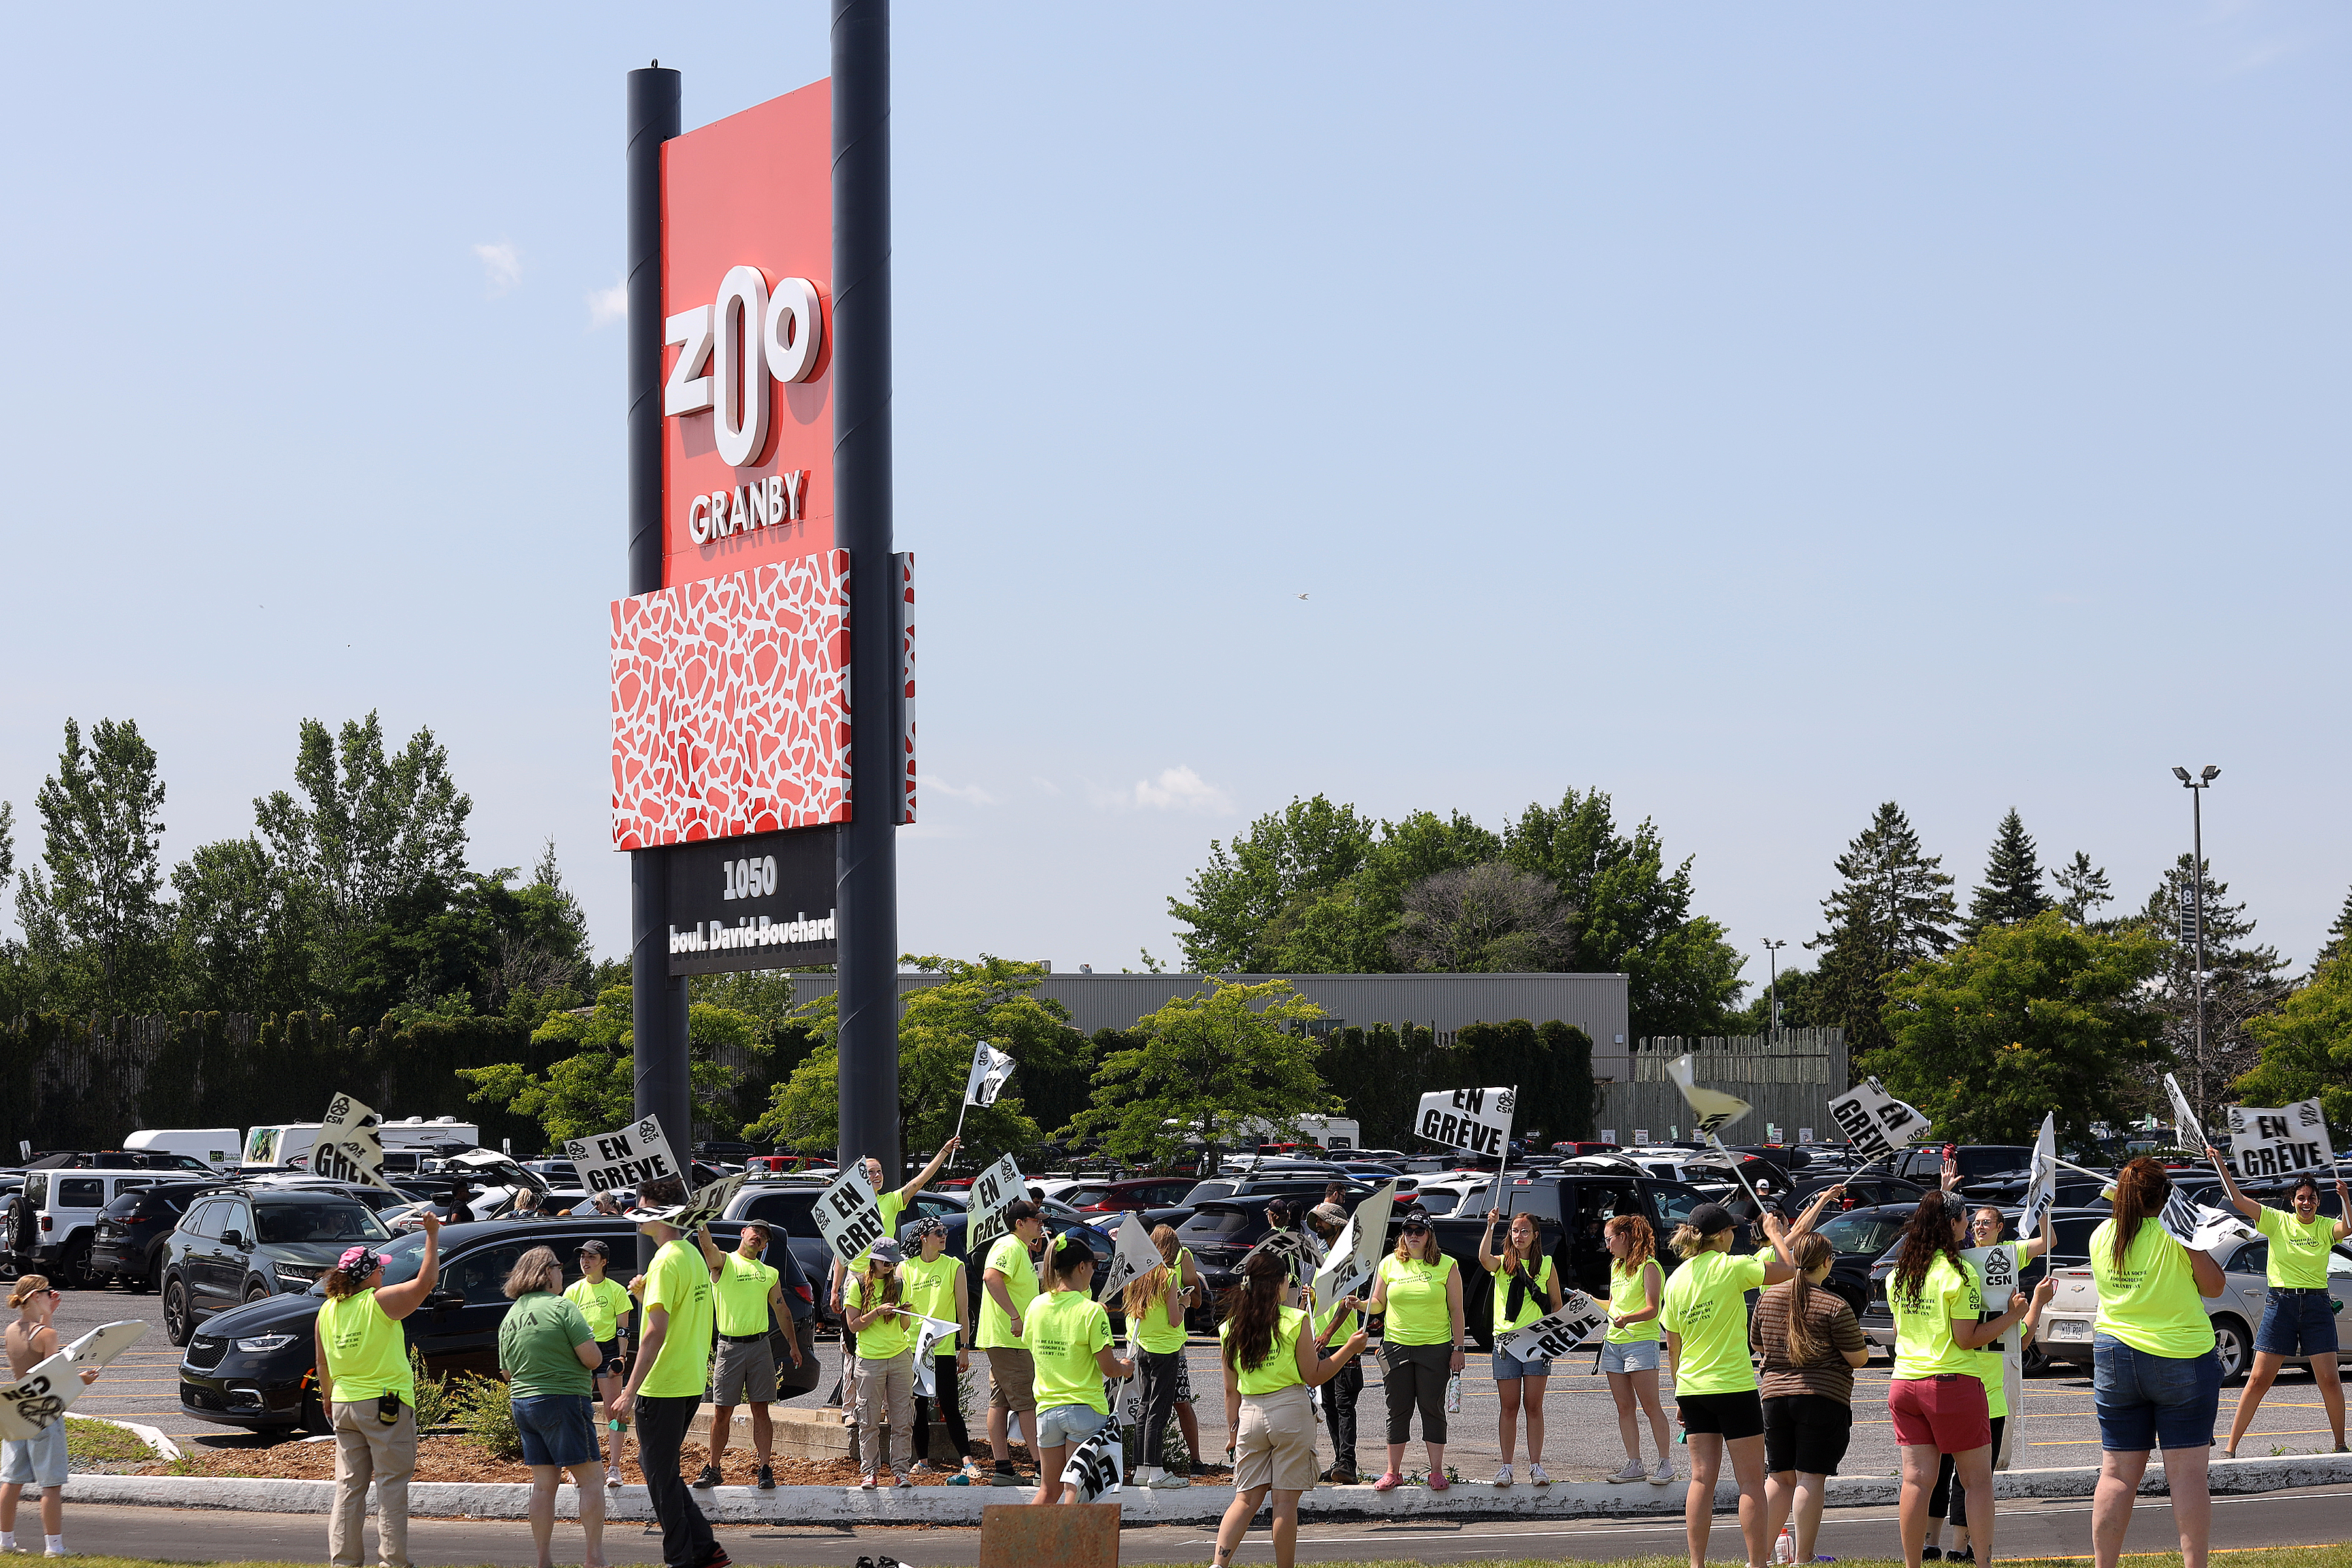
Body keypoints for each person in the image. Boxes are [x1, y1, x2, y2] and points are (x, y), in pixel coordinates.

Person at [2088, 1157, 2227, 1568]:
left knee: (2115, 1473)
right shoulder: (2176, 1235)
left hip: (2115, 1354)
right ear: (2166, 1196)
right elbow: (2215, 1287)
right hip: (2180, 1355)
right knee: (2186, 1476)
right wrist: (2190, 1236)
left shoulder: (2102, 1235)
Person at [1887, 1192, 2035, 1568]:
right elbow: (1967, 1338)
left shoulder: (1898, 1274)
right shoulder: (1959, 1273)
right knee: (1977, 1481)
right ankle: (1983, 1562)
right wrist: (2014, 1313)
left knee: (1917, 1481)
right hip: (1951, 1381)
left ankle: (1911, 1563)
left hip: (1905, 1381)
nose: (1969, 1226)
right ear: (1951, 1225)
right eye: (1965, 1220)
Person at [1209, 1249, 1371, 1568]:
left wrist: (1232, 1431)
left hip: (1250, 1413)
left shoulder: (1230, 1327)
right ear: (1280, 1284)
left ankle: (1218, 1564)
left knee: (1245, 1499)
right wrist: (1349, 1348)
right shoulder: (1296, 1320)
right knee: (1284, 1502)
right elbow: (1314, 1375)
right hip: (1290, 1410)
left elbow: (1231, 1389)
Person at [1660, 1201, 1799, 1568]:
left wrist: (1679, 1393)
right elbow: (1788, 1269)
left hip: (1692, 1388)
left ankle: (1696, 1564)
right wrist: (1775, 1235)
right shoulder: (1731, 1267)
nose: (1734, 1236)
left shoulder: (1675, 1280)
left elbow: (1673, 1348)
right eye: (1732, 1231)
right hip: (1733, 1386)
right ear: (1721, 1235)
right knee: (1751, 1482)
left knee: (1701, 1480)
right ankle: (1756, 1564)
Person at [1927, 1201, 2057, 1562]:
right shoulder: (1958, 1261)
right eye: (1975, 1222)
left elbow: (2048, 1241)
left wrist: (2041, 1199)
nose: (1979, 1227)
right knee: (1948, 1472)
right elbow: (1937, 1231)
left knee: (1967, 1477)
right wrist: (1945, 1193)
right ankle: (1933, 1543)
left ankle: (1957, 1546)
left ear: (2002, 1228)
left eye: (1987, 1222)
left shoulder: (2010, 1256)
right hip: (1959, 1379)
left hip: (1987, 1389)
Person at [604, 1191, 727, 1568]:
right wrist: (645, 1297)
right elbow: (677, 1318)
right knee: (660, 1469)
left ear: (663, 1216)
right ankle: (705, 1548)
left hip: (663, 1386)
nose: (634, 1214)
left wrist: (628, 1391)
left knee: (659, 1476)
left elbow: (654, 1333)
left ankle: (681, 1558)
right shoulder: (690, 1255)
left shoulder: (665, 1261)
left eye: (641, 1207)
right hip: (688, 1382)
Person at [315, 1211, 442, 1568]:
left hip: (343, 1404)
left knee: (349, 1486)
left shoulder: (327, 1310)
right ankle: (392, 1561)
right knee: (390, 1484)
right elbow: (425, 1282)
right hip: (386, 1404)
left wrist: (327, 1398)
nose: (383, 1273)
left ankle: (344, 1562)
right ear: (369, 1275)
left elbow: (323, 1364)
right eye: (380, 1269)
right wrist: (432, 1235)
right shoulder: (379, 1301)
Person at [2209, 1154, 2352, 1458]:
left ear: (2318, 1201)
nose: (2307, 1202)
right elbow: (2237, 1200)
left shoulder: (2326, 1227)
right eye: (2301, 1198)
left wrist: (2345, 1199)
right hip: (2281, 1303)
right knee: (2260, 1378)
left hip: (2316, 1305)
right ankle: (2231, 1448)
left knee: (2328, 1378)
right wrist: (2221, 1165)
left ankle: (2340, 1444)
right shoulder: (2278, 1221)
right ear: (2292, 1201)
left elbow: (2348, 1229)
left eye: (2312, 1198)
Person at [1752, 1231, 1869, 1565]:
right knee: (1810, 1476)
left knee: (1778, 1477)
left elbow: (1758, 1344)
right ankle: (1803, 1557)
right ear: (1827, 1263)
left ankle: (1758, 1556)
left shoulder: (1769, 1298)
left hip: (1773, 1396)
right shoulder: (1835, 1305)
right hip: (1821, 1396)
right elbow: (1858, 1358)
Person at [826, 1136, 963, 1415]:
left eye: (879, 1172)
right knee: (852, 1345)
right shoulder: (849, 1208)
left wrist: (943, 1152)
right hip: (858, 1277)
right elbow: (843, 1250)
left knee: (891, 1333)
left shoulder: (891, 1201)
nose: (876, 1176)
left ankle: (890, 1409)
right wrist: (835, 1288)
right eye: (869, 1172)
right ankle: (850, 1409)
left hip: (887, 1275)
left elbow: (919, 1182)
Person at [497, 1245, 607, 1568]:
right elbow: (593, 1358)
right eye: (559, 1267)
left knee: (544, 1486)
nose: (563, 1273)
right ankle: (594, 1558)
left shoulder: (511, 1316)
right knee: (591, 1480)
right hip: (563, 1401)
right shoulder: (564, 1308)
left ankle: (543, 1560)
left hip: (524, 1403)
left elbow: (506, 1372)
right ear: (547, 1273)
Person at [1025, 1233, 1134, 1505]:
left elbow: (1032, 1347)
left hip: (1047, 1409)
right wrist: (1124, 1368)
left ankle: (1026, 1543)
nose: (1094, 1271)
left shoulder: (1036, 1306)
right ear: (1081, 1267)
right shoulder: (1092, 1312)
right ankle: (1067, 1545)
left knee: (1048, 1490)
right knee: (1076, 1488)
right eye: (1093, 1265)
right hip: (1084, 1408)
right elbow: (1108, 1368)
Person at [0, 1278, 102, 1558]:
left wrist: (48, 1314)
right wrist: (81, 1379)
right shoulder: (47, 1336)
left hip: (17, 1411)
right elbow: (52, 1379)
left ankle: (5, 1541)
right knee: (51, 1484)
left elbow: (32, 1373)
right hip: (44, 1415)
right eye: (47, 1292)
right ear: (35, 1296)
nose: (52, 1295)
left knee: (11, 1480)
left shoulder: (11, 1330)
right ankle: (54, 1547)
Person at [1364, 1205, 1463, 1492]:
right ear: (1402, 1236)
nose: (1414, 1236)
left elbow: (1456, 1310)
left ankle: (1436, 1472)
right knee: (1398, 1408)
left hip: (1435, 1347)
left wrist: (1458, 1348)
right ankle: (1392, 1472)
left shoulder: (1447, 1265)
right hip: (1396, 1346)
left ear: (1430, 1234)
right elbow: (1379, 1303)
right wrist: (1360, 1305)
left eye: (1420, 1231)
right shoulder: (1389, 1264)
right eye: (1408, 1231)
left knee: (1432, 1408)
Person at [699, 1222, 801, 1490]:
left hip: (760, 1346)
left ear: (766, 1244)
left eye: (764, 1236)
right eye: (754, 1231)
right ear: (743, 1233)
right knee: (722, 1411)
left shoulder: (769, 1273)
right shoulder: (724, 1263)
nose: (758, 1236)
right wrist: (701, 1223)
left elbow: (782, 1310)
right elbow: (708, 1248)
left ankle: (765, 1468)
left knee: (761, 1410)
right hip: (729, 1347)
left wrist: (793, 1345)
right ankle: (713, 1468)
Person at [1478, 1207, 1563, 1487]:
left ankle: (1536, 1466)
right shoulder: (1504, 1263)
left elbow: (1556, 1304)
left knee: (1534, 1406)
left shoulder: (1547, 1265)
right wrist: (1491, 1227)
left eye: (1524, 1231)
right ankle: (1506, 1467)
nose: (1519, 1236)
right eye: (1514, 1231)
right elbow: (1484, 1259)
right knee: (1509, 1406)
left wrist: (1551, 1335)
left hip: (1537, 1343)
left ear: (1535, 1235)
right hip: (1507, 1341)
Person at [1601, 1213, 1676, 1488]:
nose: (1607, 1245)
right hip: (1613, 1343)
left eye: (1610, 1239)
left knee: (1650, 1406)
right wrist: (1586, 1300)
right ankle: (1635, 1463)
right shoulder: (1616, 1267)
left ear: (1624, 1237)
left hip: (1640, 1343)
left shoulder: (1650, 1267)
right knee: (1624, 1407)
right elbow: (1612, 1304)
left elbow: (1652, 1309)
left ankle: (1665, 1463)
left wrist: (1627, 1319)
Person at [976, 1198, 1047, 1486]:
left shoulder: (1021, 1248)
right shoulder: (1008, 1246)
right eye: (1037, 1221)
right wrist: (1015, 1317)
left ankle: (1003, 1468)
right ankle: (1042, 1466)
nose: (1041, 1225)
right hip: (1010, 1340)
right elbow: (991, 1277)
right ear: (1020, 1223)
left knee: (1001, 1402)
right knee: (1027, 1403)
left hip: (1006, 1340)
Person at [903, 1217, 977, 1478]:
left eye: (945, 1231)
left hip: (943, 1348)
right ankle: (922, 1461)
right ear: (923, 1238)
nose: (944, 1235)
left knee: (950, 1405)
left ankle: (967, 1461)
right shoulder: (905, 1269)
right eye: (938, 1232)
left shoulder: (954, 1266)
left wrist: (965, 1347)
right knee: (919, 1407)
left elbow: (963, 1312)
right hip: (913, 1349)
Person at [1124, 1223, 1193, 1488]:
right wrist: (1183, 1303)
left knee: (1144, 1406)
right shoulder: (1166, 1275)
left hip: (1142, 1346)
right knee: (1159, 1410)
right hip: (1165, 1348)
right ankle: (1156, 1471)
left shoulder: (1138, 1273)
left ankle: (1141, 1468)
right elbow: (1175, 1320)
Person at [846, 1237, 918, 1490]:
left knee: (903, 1419)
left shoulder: (899, 1284)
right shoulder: (857, 1285)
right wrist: (878, 1312)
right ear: (873, 1260)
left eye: (892, 1262)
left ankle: (901, 1471)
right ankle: (870, 1472)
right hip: (870, 1359)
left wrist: (902, 1312)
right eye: (885, 1262)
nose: (889, 1266)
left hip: (899, 1355)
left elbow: (905, 1325)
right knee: (869, 1420)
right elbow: (853, 1325)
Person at [565, 1240, 634, 1488]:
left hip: (608, 1351)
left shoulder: (616, 1291)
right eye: (583, 1257)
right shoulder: (572, 1291)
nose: (585, 1261)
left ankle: (614, 1467)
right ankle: (578, 1464)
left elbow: (624, 1329)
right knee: (577, 1409)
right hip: (581, 1350)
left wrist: (622, 1357)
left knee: (614, 1410)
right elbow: (566, 1326)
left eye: (592, 1257)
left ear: (604, 1262)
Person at [1305, 1203, 1362, 1482]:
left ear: (1337, 1226)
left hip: (1342, 1343)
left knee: (1343, 1404)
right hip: (1324, 1344)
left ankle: (1348, 1463)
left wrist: (1327, 1334)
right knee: (1328, 1404)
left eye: (1322, 1223)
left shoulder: (1348, 1261)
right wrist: (1313, 1296)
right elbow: (1325, 1302)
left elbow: (1346, 1304)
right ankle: (1340, 1460)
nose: (1318, 1227)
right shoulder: (1325, 1261)